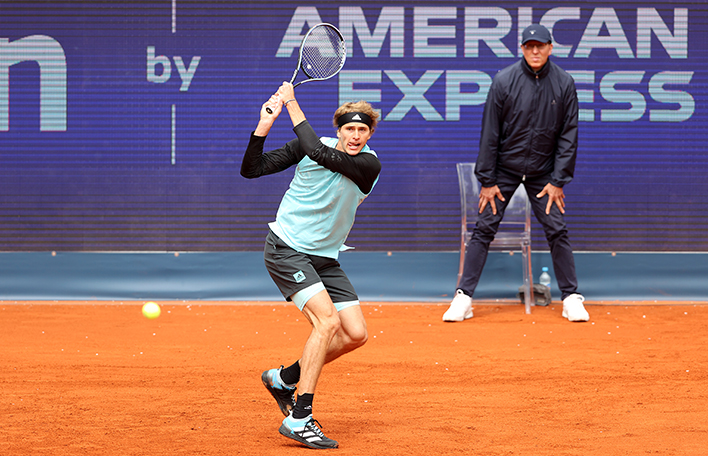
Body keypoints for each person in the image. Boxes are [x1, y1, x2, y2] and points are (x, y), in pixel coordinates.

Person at [241, 81, 381, 449]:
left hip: (325, 257)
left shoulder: (369, 163)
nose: (355, 135)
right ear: (339, 130)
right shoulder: (307, 148)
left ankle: (284, 378)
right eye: (349, 128)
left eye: (362, 129)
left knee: (355, 334)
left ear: (369, 133)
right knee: (328, 321)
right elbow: (252, 169)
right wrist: (264, 126)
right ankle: (300, 416)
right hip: (287, 247)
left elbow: (319, 152)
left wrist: (291, 102)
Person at [443, 24, 589, 323]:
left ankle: (571, 297)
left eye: (541, 46)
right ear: (521, 48)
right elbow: (490, 133)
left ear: (551, 47)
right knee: (483, 229)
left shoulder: (564, 83)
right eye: (529, 46)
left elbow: (568, 135)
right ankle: (463, 297)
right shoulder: (504, 80)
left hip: (543, 174)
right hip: (504, 172)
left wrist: (558, 180)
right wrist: (487, 179)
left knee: (557, 229)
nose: (535, 51)